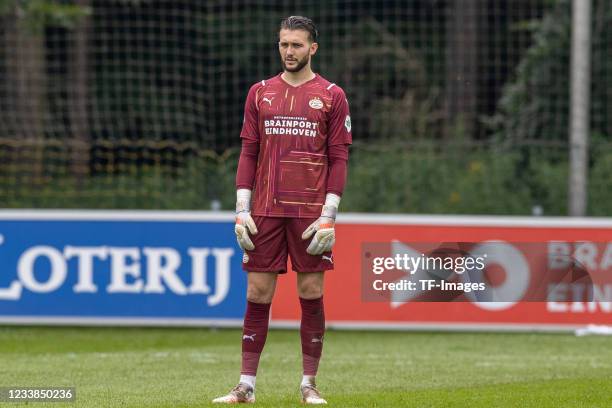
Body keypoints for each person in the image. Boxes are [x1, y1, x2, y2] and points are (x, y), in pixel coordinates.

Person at [213, 15, 351, 405]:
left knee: (310, 290)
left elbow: (338, 157)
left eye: (296, 44)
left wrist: (330, 213)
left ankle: (309, 383)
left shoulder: (332, 95)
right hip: (266, 209)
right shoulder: (260, 93)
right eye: (283, 44)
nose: (289, 51)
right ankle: (246, 386)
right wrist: (241, 207)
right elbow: (248, 151)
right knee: (257, 292)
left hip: (309, 212)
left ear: (313, 48)